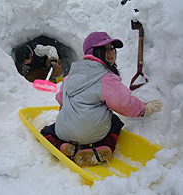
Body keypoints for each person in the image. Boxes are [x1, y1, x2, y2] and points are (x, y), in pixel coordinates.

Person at [40, 32, 162, 167]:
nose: (111, 53)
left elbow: (61, 98)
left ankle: (63, 146)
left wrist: (67, 113)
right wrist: (144, 108)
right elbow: (124, 104)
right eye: (105, 48)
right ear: (94, 51)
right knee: (115, 122)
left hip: (64, 132)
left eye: (112, 49)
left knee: (47, 131)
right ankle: (105, 147)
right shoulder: (105, 77)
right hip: (95, 134)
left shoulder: (71, 76)